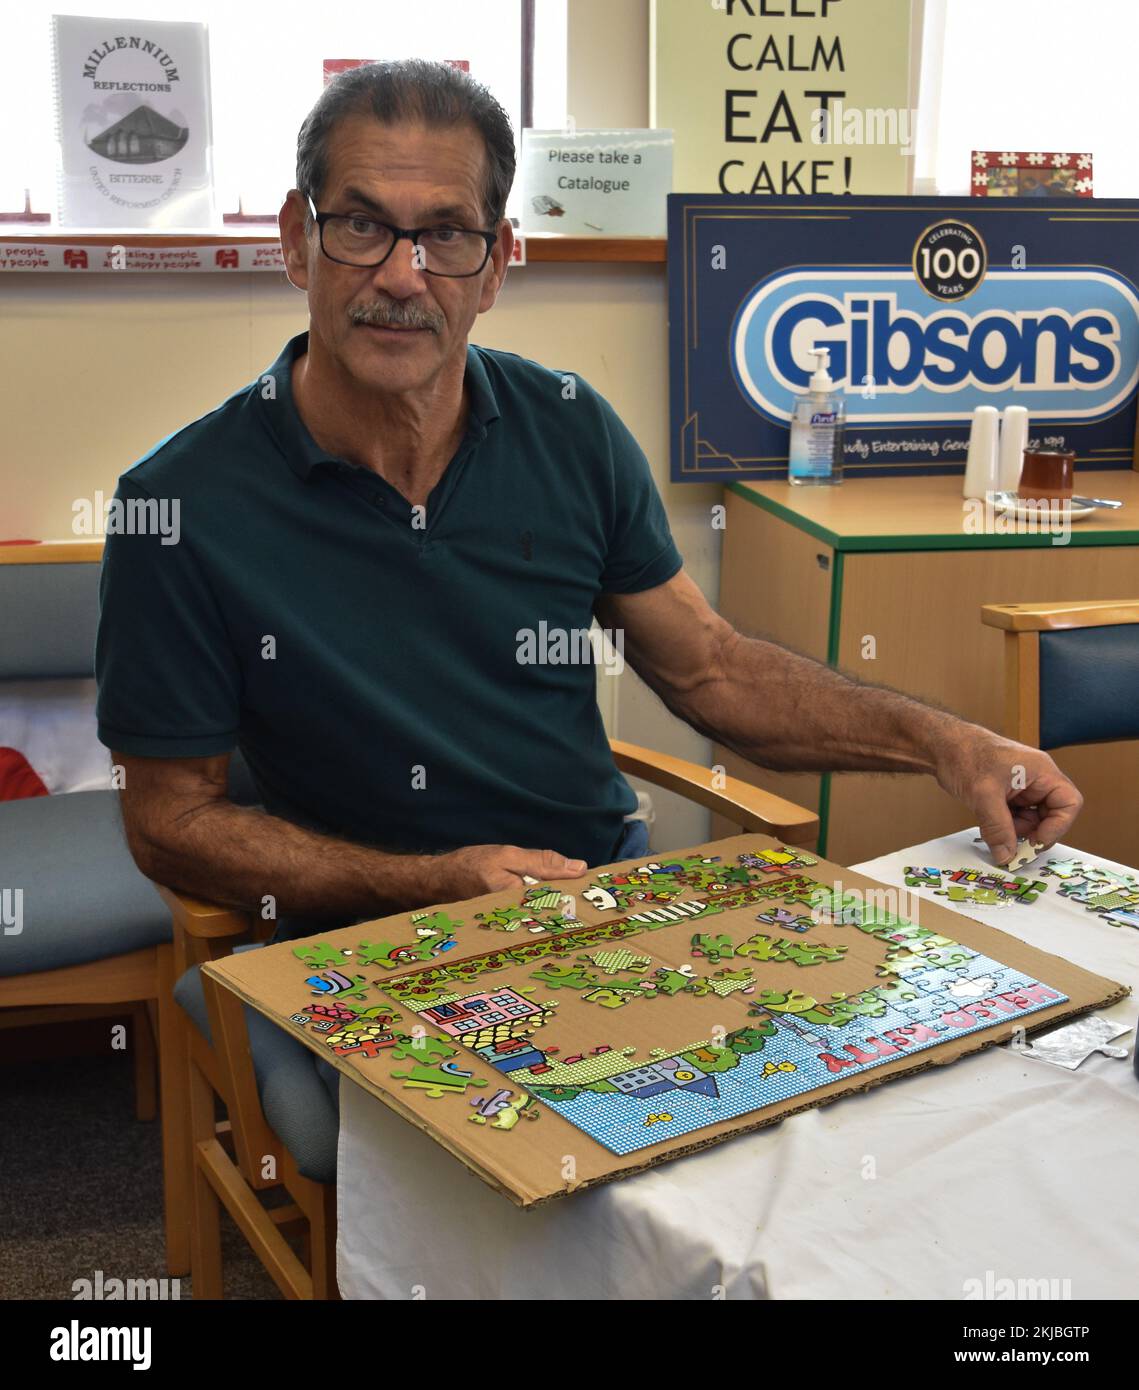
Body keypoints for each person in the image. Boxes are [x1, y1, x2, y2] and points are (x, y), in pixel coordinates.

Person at [95, 60, 1083, 939]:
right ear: (296, 242)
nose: (403, 274)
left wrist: (949, 744)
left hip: (603, 903)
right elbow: (169, 823)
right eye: (361, 225)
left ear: (493, 265)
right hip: (369, 935)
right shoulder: (177, 504)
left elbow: (712, 673)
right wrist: (429, 885)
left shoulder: (567, 427)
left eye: (445, 234)